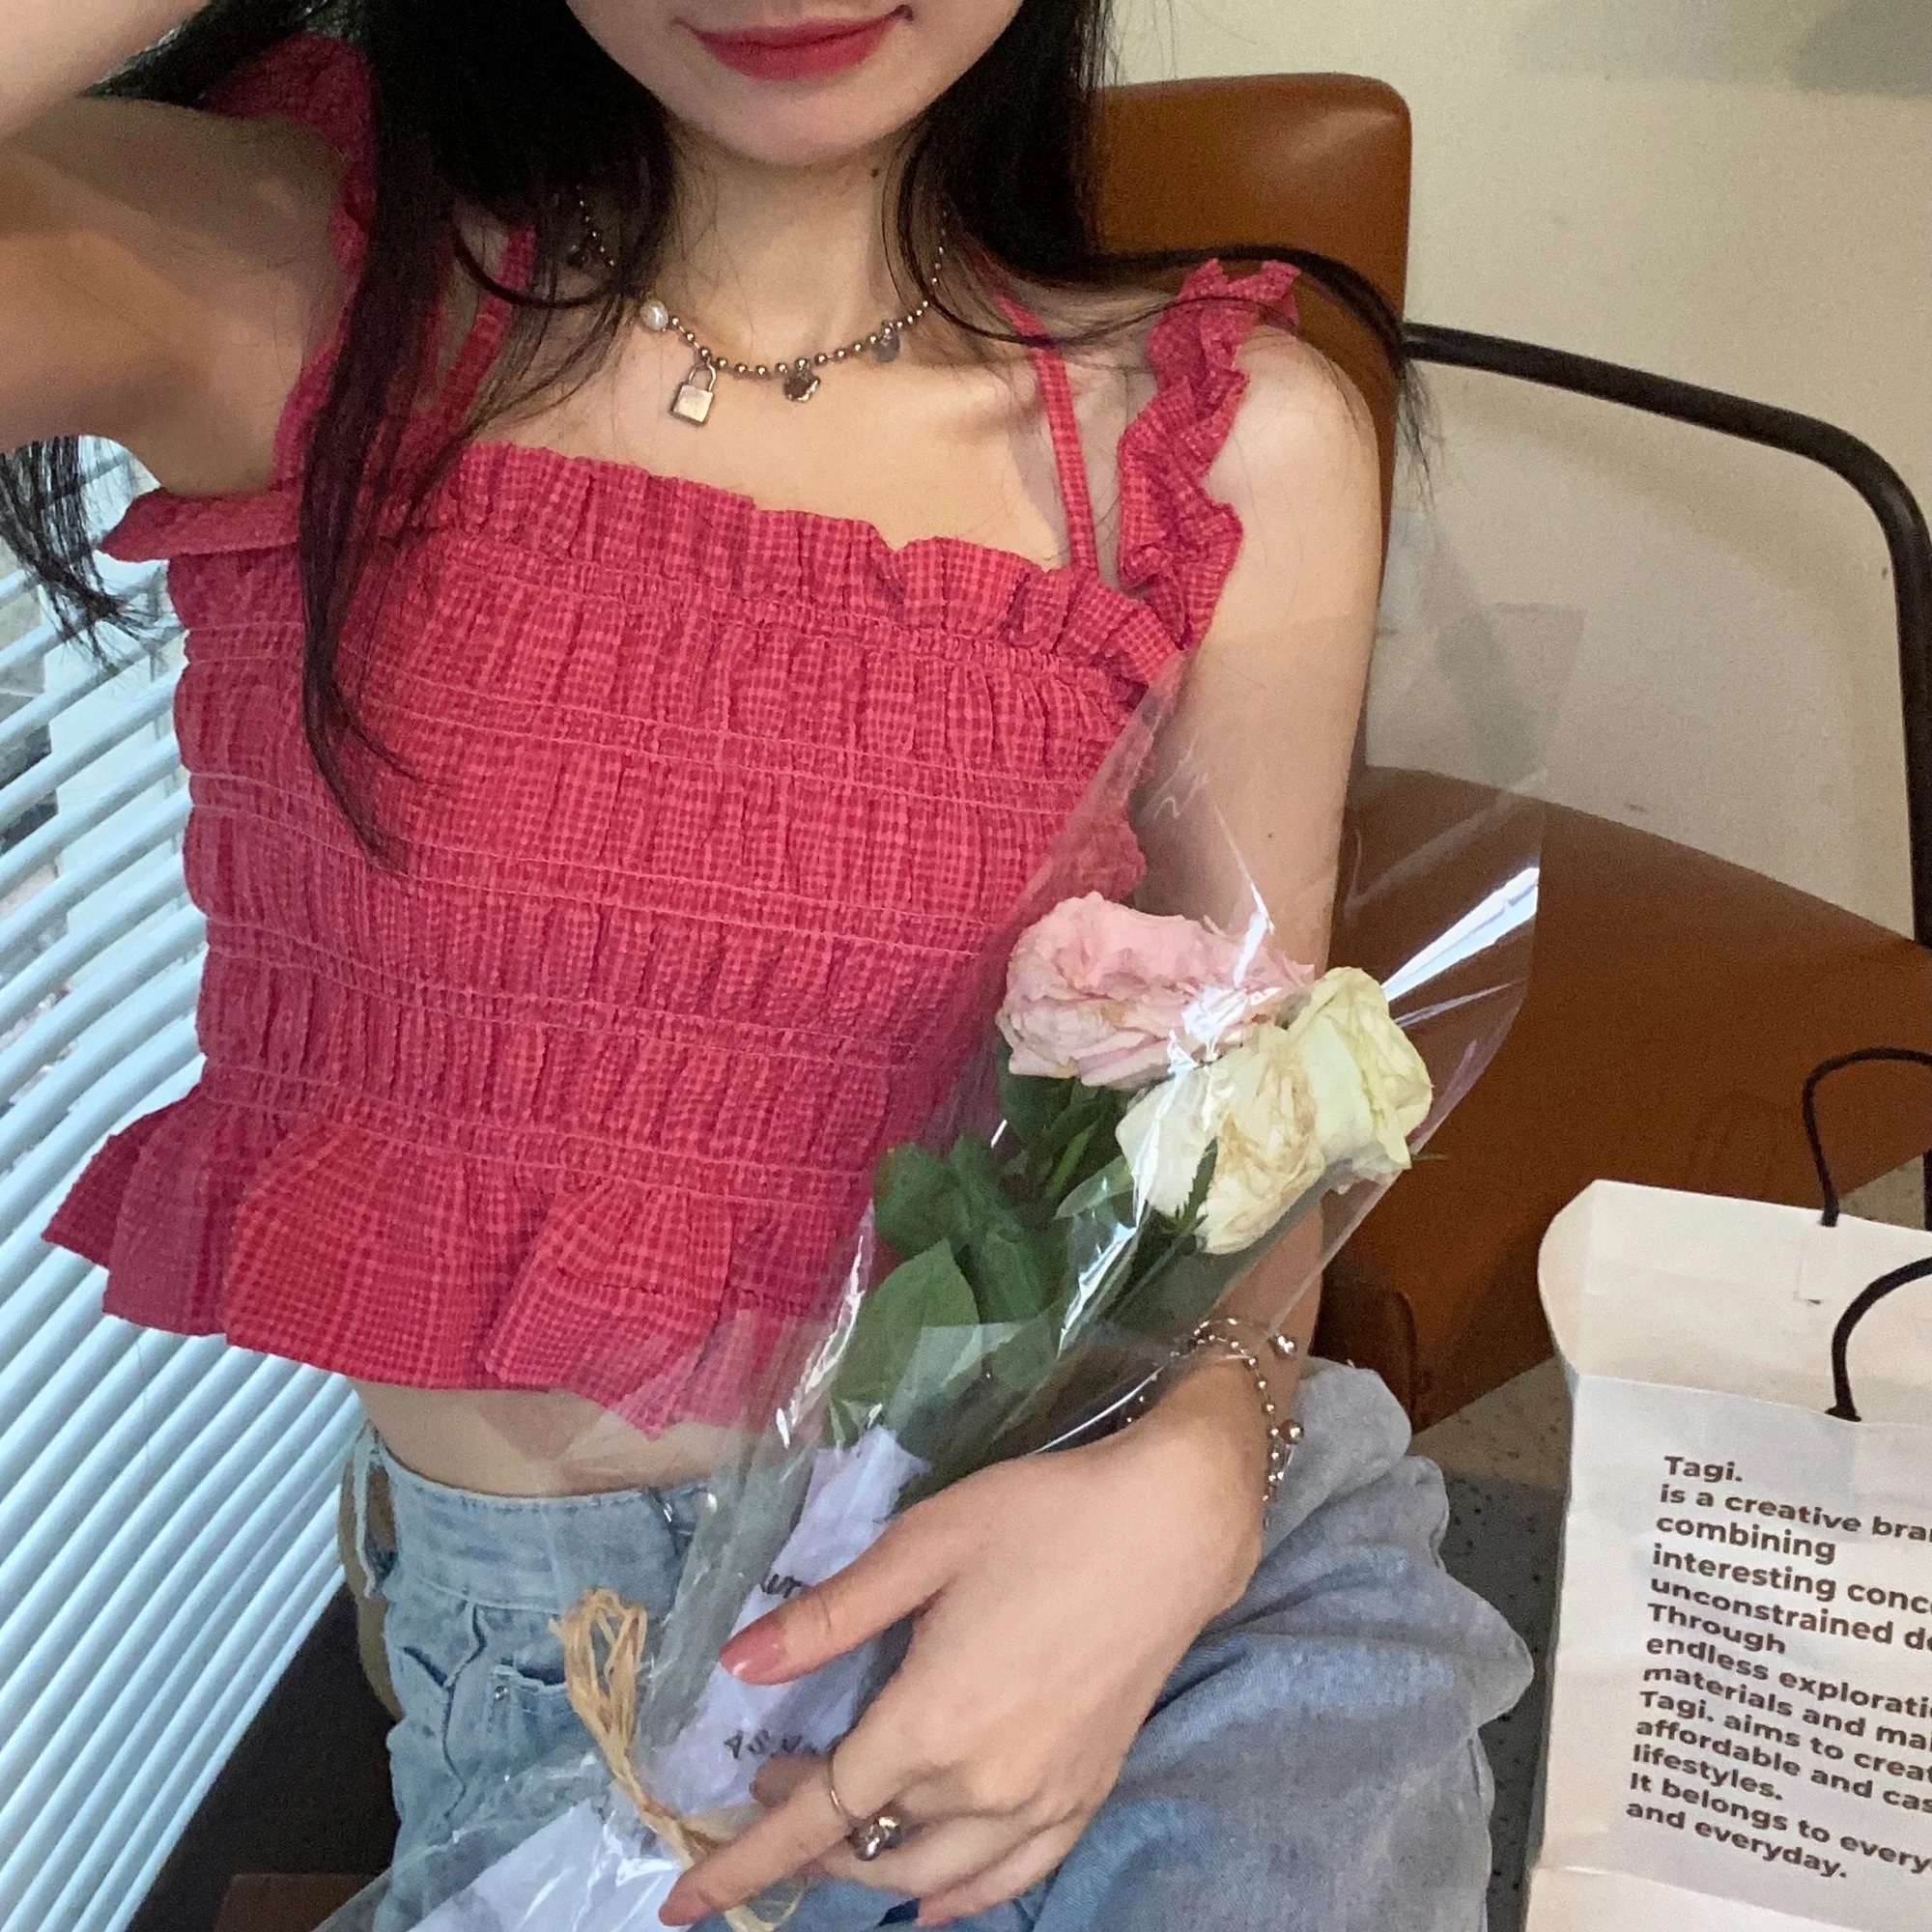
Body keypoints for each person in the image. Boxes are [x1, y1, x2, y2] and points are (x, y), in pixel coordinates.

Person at [1, 3, 1531, 1927]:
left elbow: (1243, 1118)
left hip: (1135, 1577)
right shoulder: (278, 287)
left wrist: (1206, 1472)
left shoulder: (1219, 442)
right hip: (598, 1702)